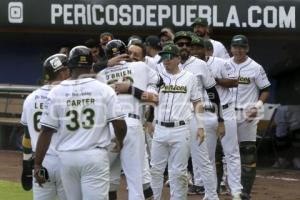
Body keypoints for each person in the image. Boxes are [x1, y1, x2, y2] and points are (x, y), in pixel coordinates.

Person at [34, 46, 127, 200]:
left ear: (69, 66)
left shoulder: (56, 92)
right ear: (91, 65)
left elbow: (46, 131)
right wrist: (120, 140)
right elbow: (120, 124)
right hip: (94, 156)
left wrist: (38, 164)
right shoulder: (104, 89)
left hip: (67, 157)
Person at [97, 40, 159, 200]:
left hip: (108, 127)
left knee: (105, 178)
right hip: (132, 124)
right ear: (125, 52)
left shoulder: (100, 74)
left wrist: (105, 64)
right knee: (134, 180)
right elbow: (155, 95)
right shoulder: (140, 67)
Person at [149, 43, 206, 200]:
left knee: (179, 172)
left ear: (178, 59)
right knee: (155, 170)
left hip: (181, 129)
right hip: (159, 128)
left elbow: (197, 102)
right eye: (164, 57)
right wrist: (148, 121)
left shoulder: (190, 78)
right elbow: (151, 100)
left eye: (169, 57)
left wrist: (200, 126)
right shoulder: (157, 76)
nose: (166, 60)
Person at [173, 31, 219, 199]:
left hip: (196, 116)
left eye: (187, 44)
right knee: (177, 162)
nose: (184, 47)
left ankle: (211, 195)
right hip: (175, 119)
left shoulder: (199, 64)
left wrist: (218, 118)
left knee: (203, 159)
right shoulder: (165, 64)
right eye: (180, 44)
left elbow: (212, 91)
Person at [21, 53, 70, 199]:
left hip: (41, 162)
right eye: (68, 70)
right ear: (62, 73)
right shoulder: (68, 96)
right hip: (65, 160)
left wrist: (26, 163)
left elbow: (27, 136)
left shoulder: (30, 98)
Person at [229, 35, 271, 200]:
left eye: (242, 47)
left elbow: (266, 89)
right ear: (231, 48)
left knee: (247, 153)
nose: (238, 50)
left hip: (247, 114)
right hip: (228, 113)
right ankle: (229, 187)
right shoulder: (225, 65)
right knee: (227, 153)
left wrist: (257, 106)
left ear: (247, 48)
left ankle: (245, 191)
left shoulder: (255, 67)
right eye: (235, 47)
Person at [204, 39, 243, 198]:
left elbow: (235, 82)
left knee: (231, 152)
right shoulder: (191, 66)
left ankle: (236, 191)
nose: (198, 52)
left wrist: (215, 80)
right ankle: (211, 192)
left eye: (202, 49)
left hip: (225, 111)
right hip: (204, 112)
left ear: (210, 51)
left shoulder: (220, 62)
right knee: (208, 156)